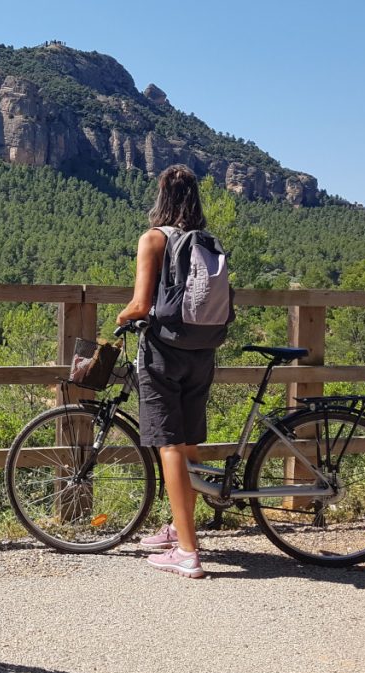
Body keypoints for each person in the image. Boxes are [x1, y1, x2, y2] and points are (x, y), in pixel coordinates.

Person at [115, 164, 216, 579]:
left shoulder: (153, 238)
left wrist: (120, 320)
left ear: (161, 197)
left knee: (168, 446)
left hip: (163, 353)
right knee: (189, 443)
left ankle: (188, 552)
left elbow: (140, 305)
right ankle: (179, 528)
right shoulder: (207, 241)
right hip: (203, 350)